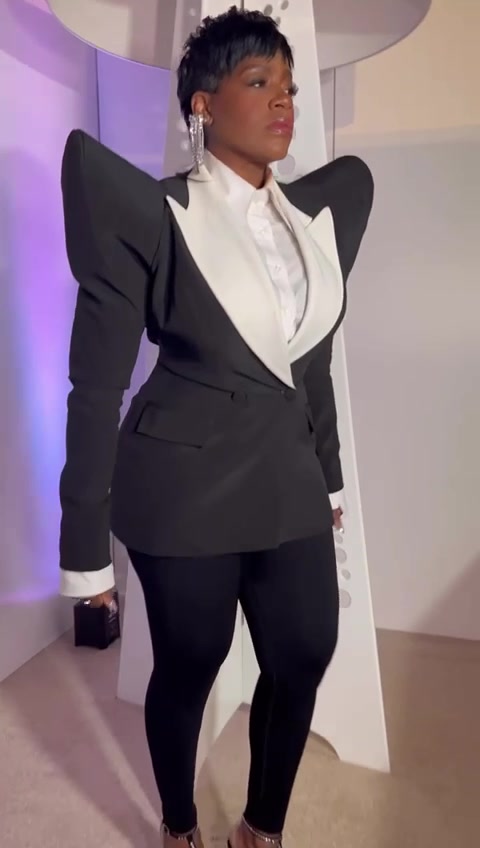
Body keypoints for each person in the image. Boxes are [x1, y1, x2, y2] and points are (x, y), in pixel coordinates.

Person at [58, 7, 373, 848]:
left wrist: (329, 478)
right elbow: (95, 386)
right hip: (183, 486)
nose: (283, 101)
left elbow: (311, 365)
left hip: (287, 479)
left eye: (289, 86)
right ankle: (178, 823)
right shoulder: (156, 212)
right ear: (203, 103)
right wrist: (85, 549)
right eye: (258, 81)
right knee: (190, 665)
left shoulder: (311, 223)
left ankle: (261, 828)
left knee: (304, 652)